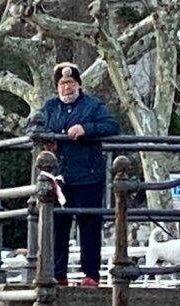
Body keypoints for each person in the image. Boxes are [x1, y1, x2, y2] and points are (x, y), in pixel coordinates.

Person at [35, 62, 120, 287]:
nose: (67, 88)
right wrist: (46, 137)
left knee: (89, 225)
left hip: (88, 176)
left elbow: (112, 126)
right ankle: (58, 274)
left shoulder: (93, 106)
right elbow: (31, 127)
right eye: (63, 84)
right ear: (57, 88)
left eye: (71, 83)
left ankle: (91, 275)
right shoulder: (50, 108)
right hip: (59, 177)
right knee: (58, 226)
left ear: (79, 85)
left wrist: (86, 129)